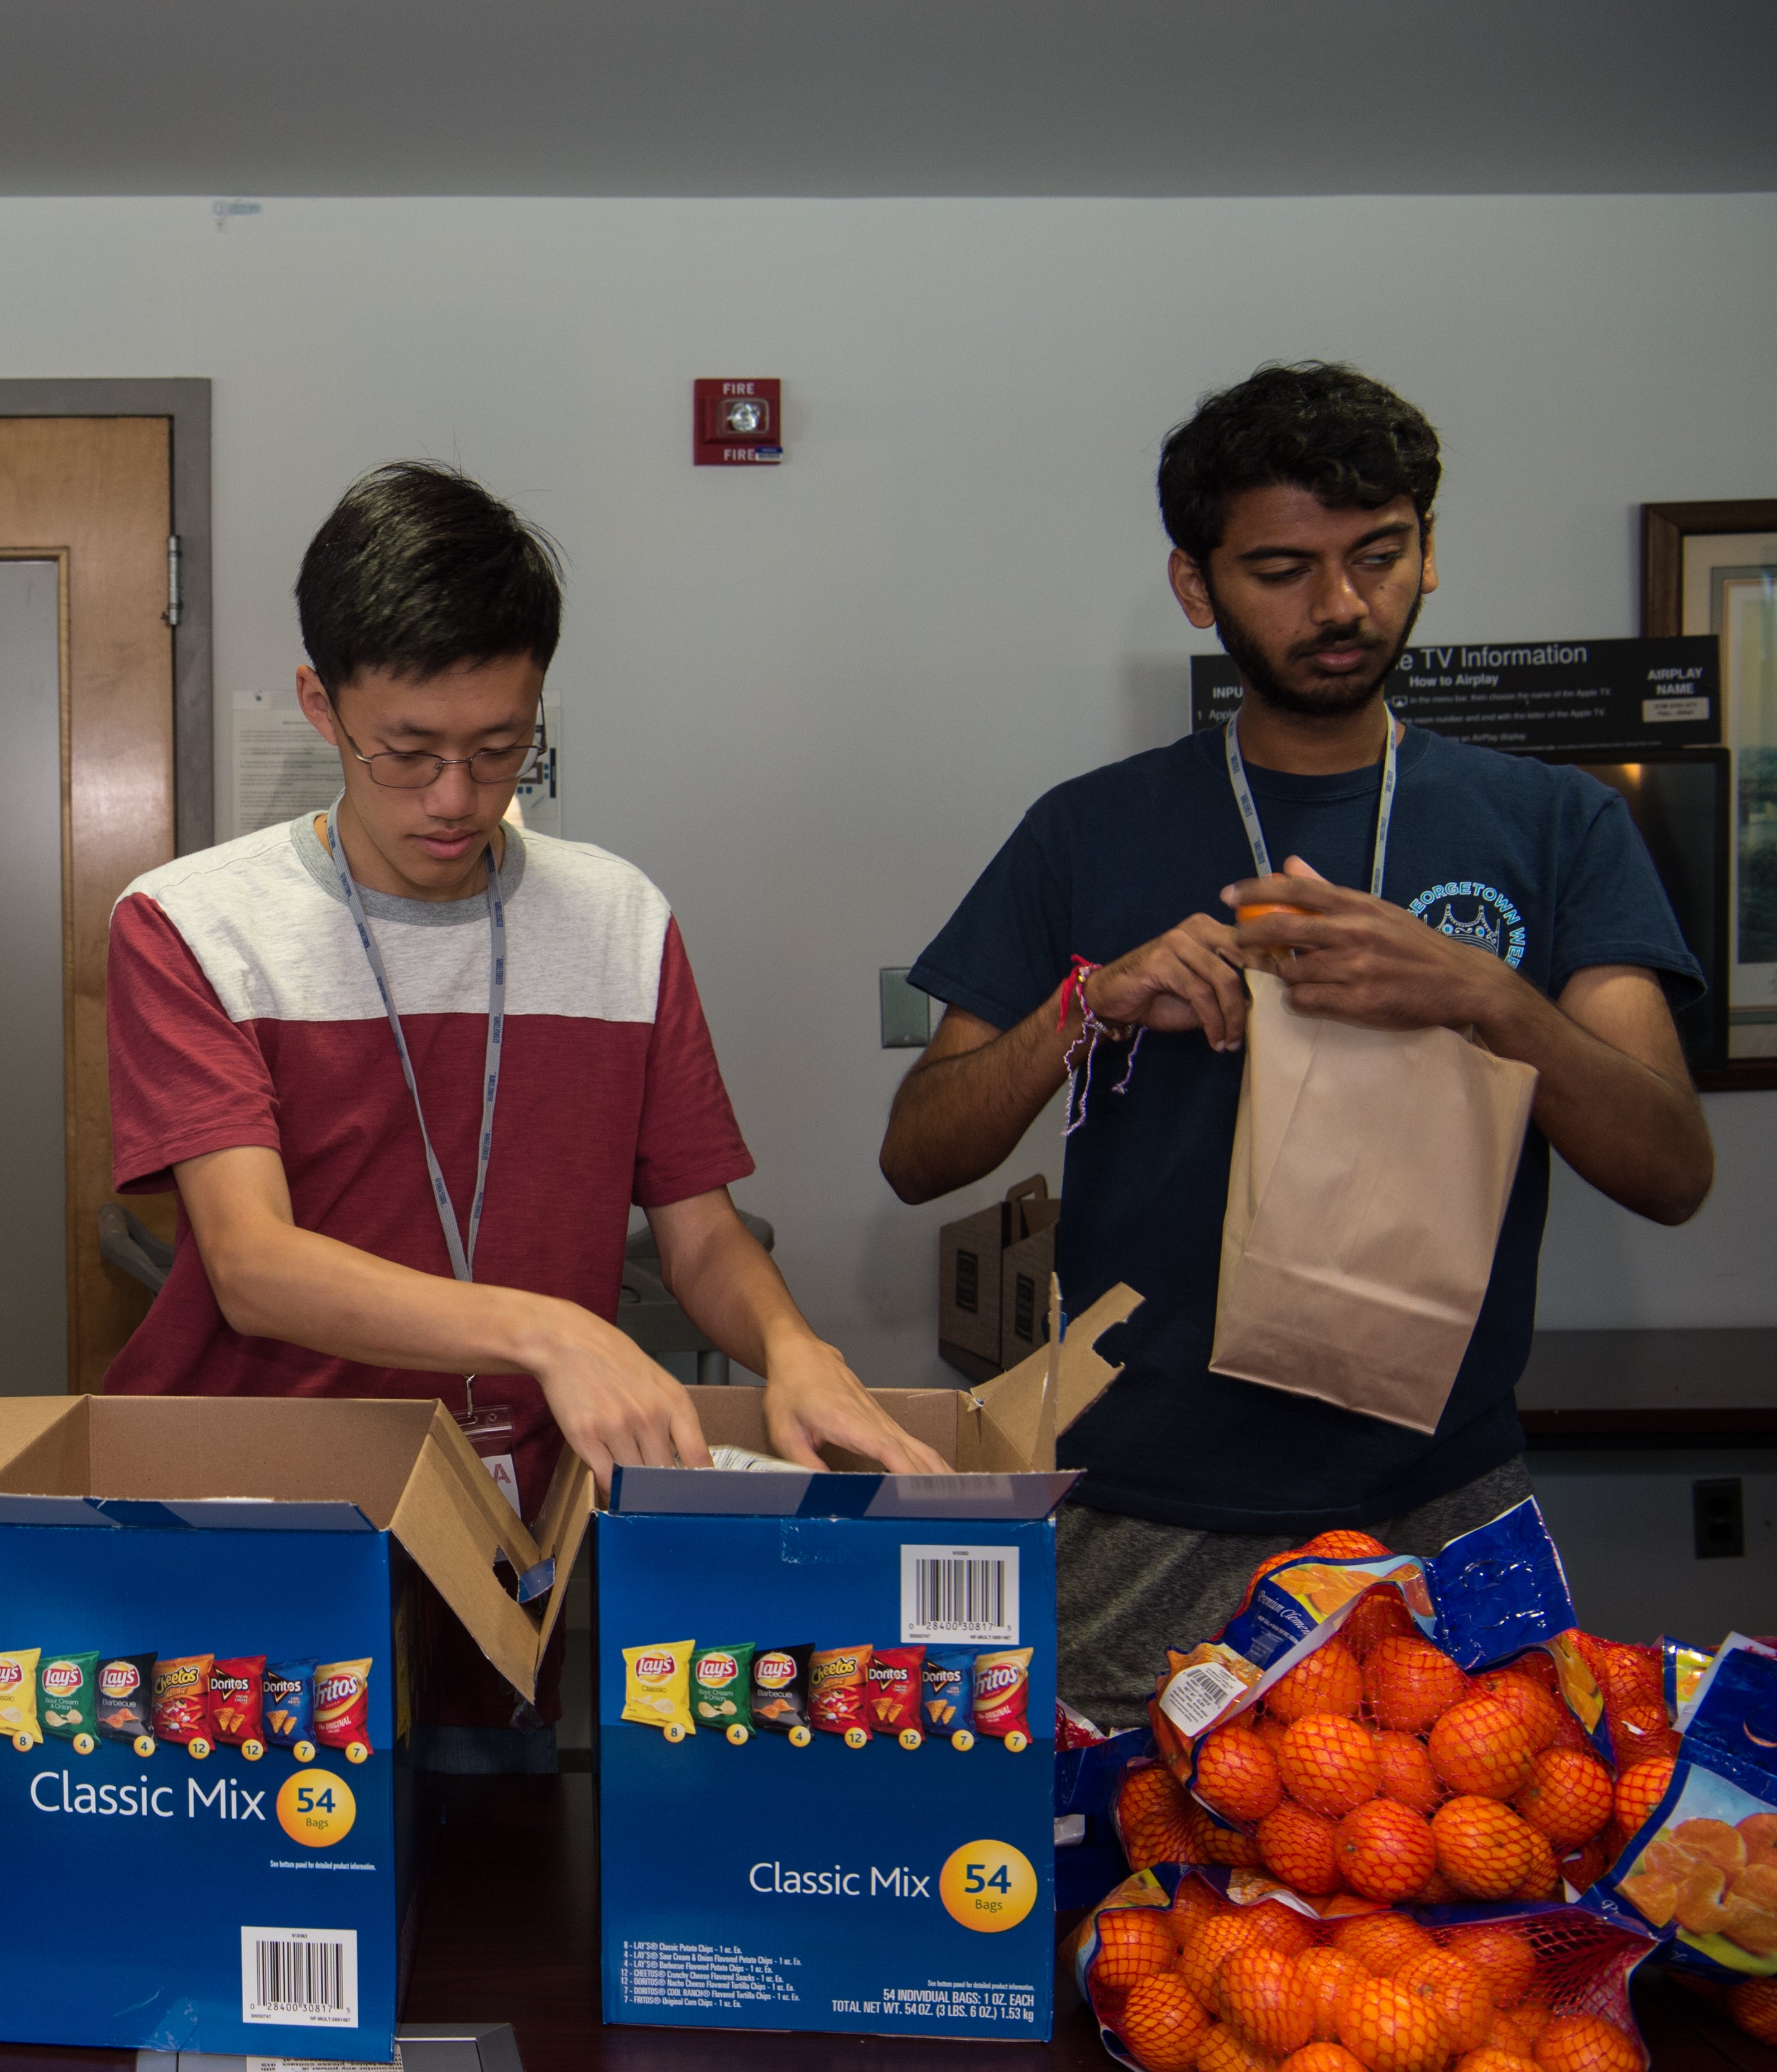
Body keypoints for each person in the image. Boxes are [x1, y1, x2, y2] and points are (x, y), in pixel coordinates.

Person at [882, 363, 1713, 1726]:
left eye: (1377, 555)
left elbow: (1671, 1167)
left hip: (1441, 1493)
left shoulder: (1554, 824)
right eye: (1282, 567)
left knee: (1463, 1902)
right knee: (1117, 1906)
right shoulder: (1088, 830)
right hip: (1141, 1498)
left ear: (1428, 556)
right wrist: (1088, 1003)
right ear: (1195, 586)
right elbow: (919, 1151)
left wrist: (1484, 994)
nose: (1339, 604)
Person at [104, 464, 946, 1763]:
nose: (455, 797)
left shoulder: (618, 919)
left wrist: (791, 1345)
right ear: (321, 705)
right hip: (259, 1518)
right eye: (409, 752)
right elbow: (254, 1266)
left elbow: (704, 1237)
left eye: (499, 748)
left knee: (501, 1892)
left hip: (510, 1529)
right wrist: (551, 1327)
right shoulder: (197, 926)